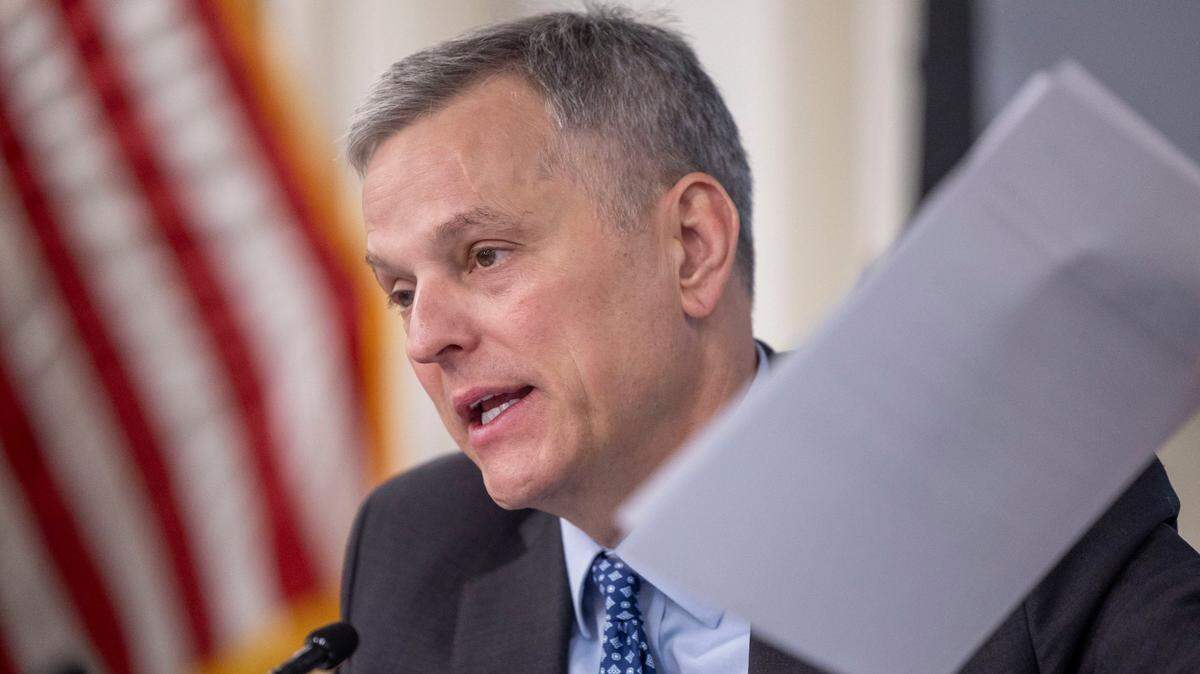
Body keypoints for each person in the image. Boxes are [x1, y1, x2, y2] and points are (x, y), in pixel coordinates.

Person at [339, 7, 1200, 673]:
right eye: (402, 291)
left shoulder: (1013, 503)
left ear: (691, 247)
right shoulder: (416, 546)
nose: (426, 338)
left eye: (484, 256)